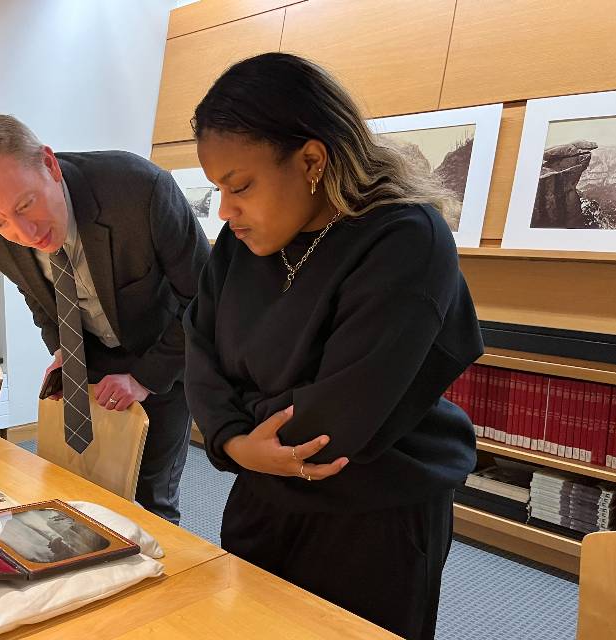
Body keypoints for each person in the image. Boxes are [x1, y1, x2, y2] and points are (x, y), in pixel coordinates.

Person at [183, 53, 483, 640]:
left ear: (312, 161)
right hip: (262, 493)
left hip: (373, 516)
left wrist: (236, 423)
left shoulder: (406, 237)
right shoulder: (240, 242)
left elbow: (338, 420)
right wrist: (237, 443)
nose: (226, 210)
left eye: (240, 186)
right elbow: (199, 350)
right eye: (218, 188)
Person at [0, 115, 210, 524]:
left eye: (25, 205)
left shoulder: (139, 191)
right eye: (1, 223)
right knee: (82, 487)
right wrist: (63, 349)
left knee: (150, 498)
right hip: (87, 351)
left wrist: (144, 378)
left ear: (49, 165)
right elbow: (34, 291)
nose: (24, 232)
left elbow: (206, 300)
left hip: (165, 351)